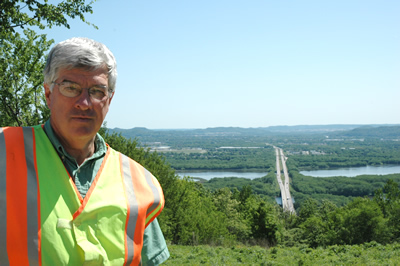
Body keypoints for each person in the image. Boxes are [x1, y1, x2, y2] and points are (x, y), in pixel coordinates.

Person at [0, 37, 170, 265]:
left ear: (109, 99)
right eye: (71, 88)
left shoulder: (139, 183)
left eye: (97, 91)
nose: (84, 102)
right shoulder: (4, 149)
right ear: (48, 94)